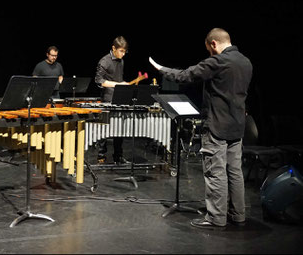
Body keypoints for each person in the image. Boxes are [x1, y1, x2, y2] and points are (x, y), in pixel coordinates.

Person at [149, 28, 253, 230]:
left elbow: (186, 75)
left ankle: (216, 217)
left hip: (217, 126)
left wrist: (161, 69)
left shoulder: (218, 61)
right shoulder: (246, 62)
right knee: (235, 172)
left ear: (213, 44)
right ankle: (238, 215)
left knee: (216, 173)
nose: (209, 53)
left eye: (209, 49)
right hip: (237, 126)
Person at [94, 36, 130, 165]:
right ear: (113, 48)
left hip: (119, 98)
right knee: (104, 129)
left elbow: (118, 79)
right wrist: (118, 85)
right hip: (107, 99)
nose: (123, 54)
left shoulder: (121, 61)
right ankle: (101, 155)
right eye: (121, 51)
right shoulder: (104, 61)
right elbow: (99, 80)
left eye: (125, 51)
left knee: (119, 129)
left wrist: (122, 84)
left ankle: (118, 156)